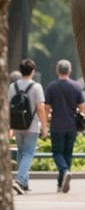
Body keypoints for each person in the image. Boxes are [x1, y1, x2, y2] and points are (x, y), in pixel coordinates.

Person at [44, 59, 85, 194]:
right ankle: (60, 183)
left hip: (57, 125)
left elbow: (47, 107)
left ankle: (64, 172)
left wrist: (45, 122)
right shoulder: (76, 87)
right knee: (68, 154)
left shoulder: (51, 87)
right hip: (72, 125)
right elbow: (81, 107)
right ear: (70, 71)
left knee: (57, 153)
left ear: (57, 71)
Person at [9, 58, 48, 195]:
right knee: (28, 154)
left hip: (17, 125)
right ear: (33, 71)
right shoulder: (36, 87)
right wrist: (44, 127)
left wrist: (10, 127)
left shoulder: (13, 87)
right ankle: (19, 180)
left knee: (21, 152)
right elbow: (40, 108)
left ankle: (24, 184)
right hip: (31, 126)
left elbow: (8, 107)